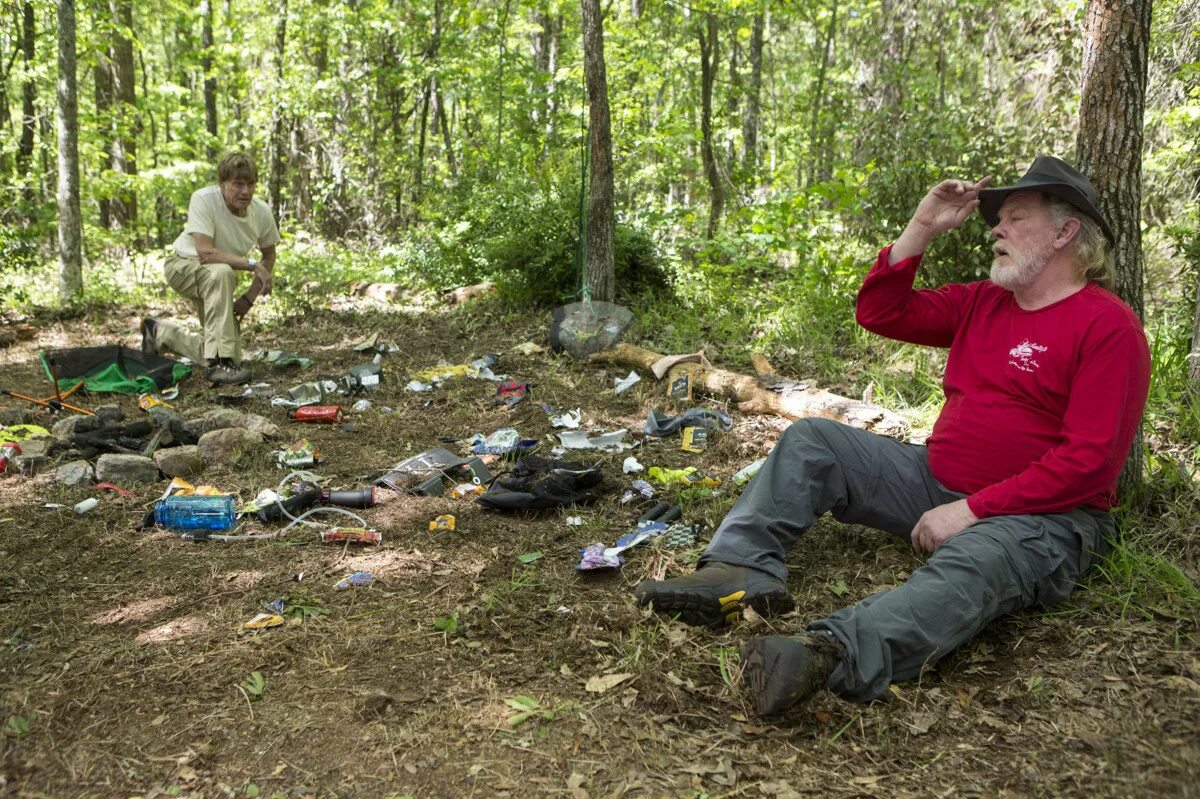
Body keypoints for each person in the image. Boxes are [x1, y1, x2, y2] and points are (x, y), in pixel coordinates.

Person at [634, 156, 1151, 716]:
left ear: (1065, 232)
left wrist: (973, 511)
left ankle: (828, 654)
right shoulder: (982, 302)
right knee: (813, 440)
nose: (997, 228)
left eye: (1016, 217)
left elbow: (1089, 463)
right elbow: (881, 311)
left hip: (1046, 519)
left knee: (979, 562)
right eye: (997, 218)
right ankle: (739, 570)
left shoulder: (1109, 327)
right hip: (935, 481)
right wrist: (922, 227)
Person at [141, 152, 281, 385]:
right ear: (222, 184)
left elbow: (269, 255)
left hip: (216, 278)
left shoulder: (261, 212)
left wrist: (248, 298)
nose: (245, 191)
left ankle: (161, 333)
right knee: (222, 272)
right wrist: (251, 265)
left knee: (235, 356)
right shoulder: (204, 199)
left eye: (250, 184)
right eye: (237, 184)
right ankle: (220, 364)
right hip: (183, 267)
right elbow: (205, 252)